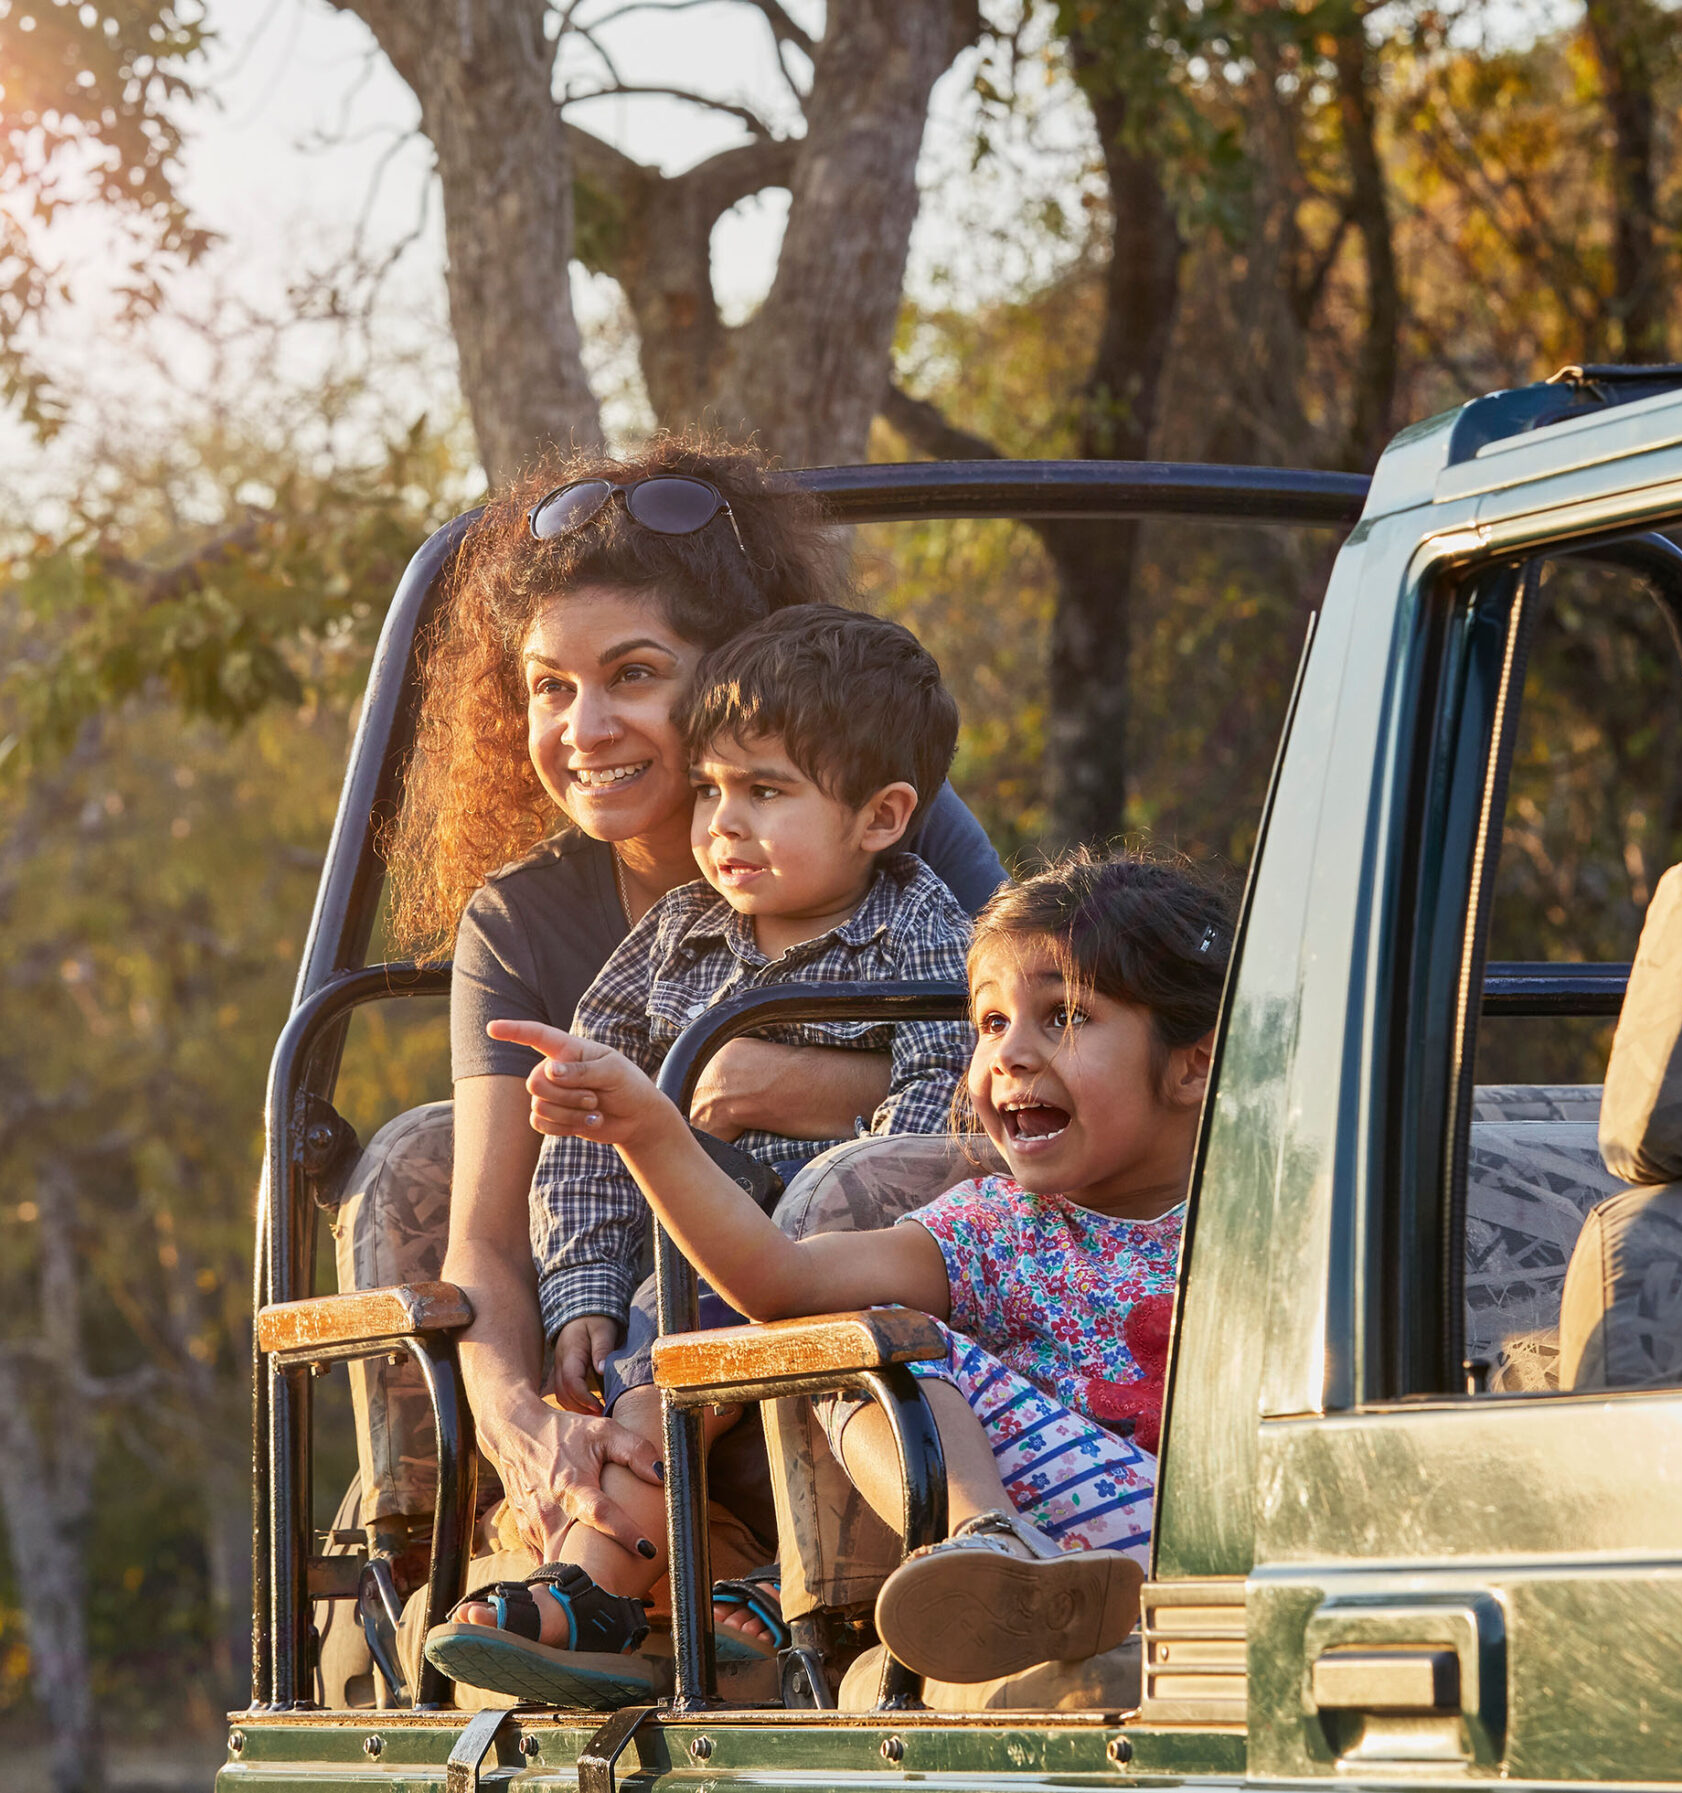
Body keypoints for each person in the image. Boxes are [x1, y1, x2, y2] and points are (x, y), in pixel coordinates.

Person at [336, 439, 1006, 1623]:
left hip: (848, 1308)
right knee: (421, 1159)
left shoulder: (887, 834)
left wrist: (762, 1084)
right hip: (633, 1344)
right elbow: (491, 1230)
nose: (583, 726)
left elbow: (999, 1089)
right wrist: (524, 1424)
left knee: (833, 1201)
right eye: (548, 685)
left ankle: (909, 1554)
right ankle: (592, 1564)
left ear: (731, 674)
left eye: (632, 673)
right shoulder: (526, 917)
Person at [486, 849, 1236, 1688]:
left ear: (1193, 1063)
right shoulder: (992, 1228)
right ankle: (988, 1548)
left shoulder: (1276, 1212)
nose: (1010, 1055)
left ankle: (1000, 1555)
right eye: (990, 1023)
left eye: (1064, 1016)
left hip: (1238, 1529)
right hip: (1077, 1549)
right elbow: (780, 1281)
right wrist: (650, 1129)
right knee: (848, 1339)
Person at [418, 604, 975, 1707]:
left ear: (881, 817)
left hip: (841, 1263)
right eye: (713, 789)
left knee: (753, 1285)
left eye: (762, 793)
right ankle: (624, 1581)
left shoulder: (926, 935)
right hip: (682, 1264)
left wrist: (829, 1160)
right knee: (644, 1348)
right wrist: (577, 1288)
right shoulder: (675, 939)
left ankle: (658, 1585)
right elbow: (581, 1123)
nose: (720, 823)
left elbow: (946, 1109)